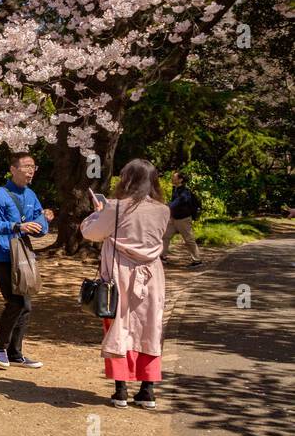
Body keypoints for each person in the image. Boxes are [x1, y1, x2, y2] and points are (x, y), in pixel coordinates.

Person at [82, 159, 171, 409]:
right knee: (149, 329)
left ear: (127, 179)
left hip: (120, 275)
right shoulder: (163, 210)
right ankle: (148, 390)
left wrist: (99, 211)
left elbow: (91, 233)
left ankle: (120, 390)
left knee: (117, 328)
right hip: (152, 276)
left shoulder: (116, 207)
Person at [0, 152, 55, 369]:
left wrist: (45, 219)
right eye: (26, 166)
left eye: (33, 166)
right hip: (3, 255)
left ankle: (15, 352)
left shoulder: (31, 195)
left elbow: (39, 230)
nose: (31, 170)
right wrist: (16, 227)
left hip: (24, 254)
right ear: (13, 169)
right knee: (16, 302)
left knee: (26, 305)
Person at [163, 171, 204, 268]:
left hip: (183, 219)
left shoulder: (185, 192)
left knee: (189, 240)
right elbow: (174, 202)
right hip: (174, 219)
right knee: (165, 236)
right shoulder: (175, 189)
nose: (172, 178)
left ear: (180, 179)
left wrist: (166, 206)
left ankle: (197, 260)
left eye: (174, 177)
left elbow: (178, 202)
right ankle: (162, 256)